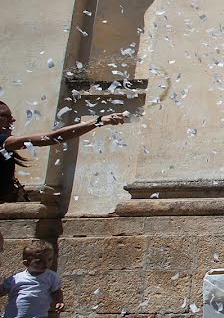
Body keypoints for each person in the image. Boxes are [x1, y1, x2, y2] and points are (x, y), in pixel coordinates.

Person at [0, 101, 128, 253]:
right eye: (4, 116)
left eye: (10, 116)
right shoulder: (3, 142)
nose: (12, 120)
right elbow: (52, 137)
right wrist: (98, 122)